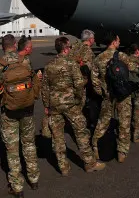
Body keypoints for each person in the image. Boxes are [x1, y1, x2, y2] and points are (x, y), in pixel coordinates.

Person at [42, 37, 106, 175]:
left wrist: (46, 105)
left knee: (57, 136)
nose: (71, 49)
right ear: (65, 49)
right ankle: (90, 163)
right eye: (69, 47)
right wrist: (78, 99)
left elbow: (45, 88)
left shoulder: (49, 65)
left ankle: (63, 167)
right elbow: (78, 84)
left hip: (54, 105)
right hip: (70, 104)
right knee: (81, 131)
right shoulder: (71, 64)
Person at [0, 35, 39, 198]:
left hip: (9, 110)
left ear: (3, 46)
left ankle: (17, 186)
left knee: (12, 149)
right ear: (15, 45)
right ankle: (33, 178)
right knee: (29, 143)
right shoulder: (24, 60)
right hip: (27, 108)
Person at [91, 32, 133, 163]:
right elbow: (132, 69)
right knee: (124, 123)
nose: (119, 42)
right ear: (114, 42)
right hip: (122, 95)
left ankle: (96, 148)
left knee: (103, 122)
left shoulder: (98, 58)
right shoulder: (122, 56)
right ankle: (122, 152)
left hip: (107, 95)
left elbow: (94, 80)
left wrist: (102, 92)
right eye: (118, 40)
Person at [70, 30, 98, 130]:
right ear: (90, 39)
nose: (94, 40)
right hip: (81, 82)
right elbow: (86, 68)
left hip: (71, 79)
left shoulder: (74, 47)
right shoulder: (87, 50)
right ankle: (79, 128)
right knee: (80, 105)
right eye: (93, 38)